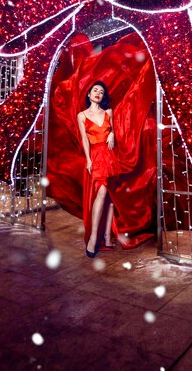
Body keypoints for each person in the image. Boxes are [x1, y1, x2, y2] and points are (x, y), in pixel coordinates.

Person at [77, 81, 121, 257]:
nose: (98, 93)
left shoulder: (109, 112)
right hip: (95, 156)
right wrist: (88, 160)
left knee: (109, 196)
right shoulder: (82, 115)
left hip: (110, 156)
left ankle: (107, 237)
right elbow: (84, 140)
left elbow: (115, 133)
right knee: (102, 193)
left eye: (101, 91)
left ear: (103, 96)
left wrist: (112, 133)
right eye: (95, 90)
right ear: (89, 94)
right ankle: (94, 238)